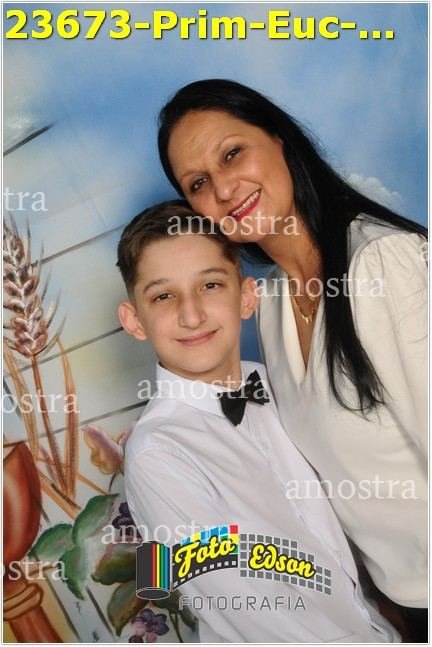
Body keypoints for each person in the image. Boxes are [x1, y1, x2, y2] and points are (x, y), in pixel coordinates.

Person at [156, 80, 428, 641]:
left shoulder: (384, 264)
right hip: (403, 604)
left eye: (232, 154)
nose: (224, 188)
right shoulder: (274, 304)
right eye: (198, 183)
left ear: (280, 139)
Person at [117, 200, 399, 643]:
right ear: (134, 321)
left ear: (247, 297)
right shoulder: (157, 454)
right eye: (163, 296)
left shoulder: (281, 379)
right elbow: (254, 614)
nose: (192, 314)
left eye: (211, 285)